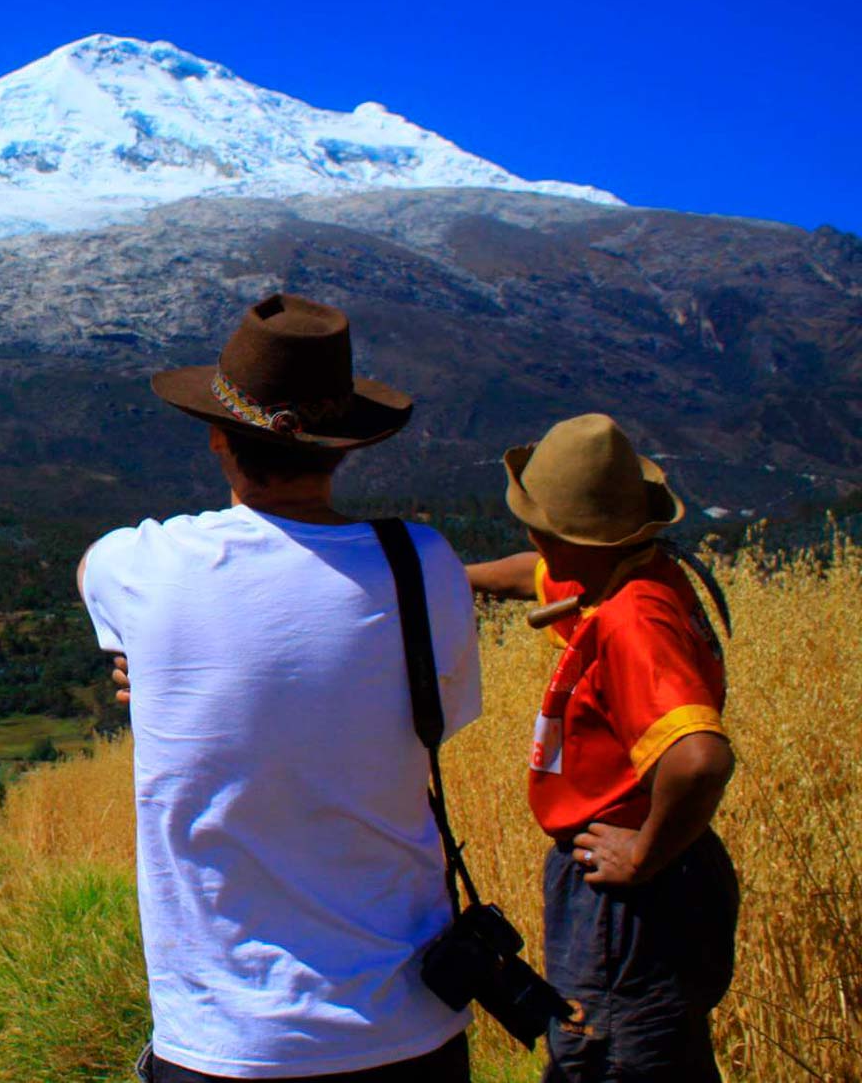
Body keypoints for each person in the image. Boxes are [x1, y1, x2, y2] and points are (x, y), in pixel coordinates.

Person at [80, 293, 482, 1082]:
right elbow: (439, 721)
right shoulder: (425, 565)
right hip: (410, 1025)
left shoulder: (144, 566)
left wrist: (146, 657)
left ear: (218, 440)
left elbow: (88, 569)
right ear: (345, 448)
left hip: (226, 1035)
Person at [467, 414, 738, 1081]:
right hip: (658, 879)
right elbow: (533, 573)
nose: (528, 534)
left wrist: (643, 855)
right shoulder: (622, 570)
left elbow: (700, 758)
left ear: (564, 537)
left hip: (629, 900)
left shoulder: (632, 620)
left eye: (536, 523)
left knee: (608, 1057)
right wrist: (450, 576)